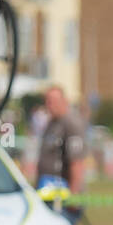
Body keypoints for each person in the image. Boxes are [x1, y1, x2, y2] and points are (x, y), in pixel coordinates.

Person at [34, 86, 86, 216]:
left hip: (63, 196)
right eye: (47, 101)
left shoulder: (71, 124)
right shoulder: (51, 124)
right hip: (48, 193)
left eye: (52, 101)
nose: (48, 105)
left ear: (64, 101)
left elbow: (77, 162)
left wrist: (73, 196)